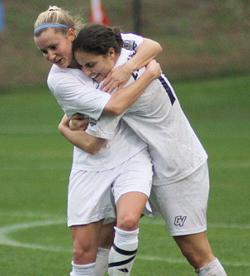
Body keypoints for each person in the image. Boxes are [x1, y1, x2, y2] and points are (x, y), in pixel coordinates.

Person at [59, 23, 227, 276]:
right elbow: (153, 46)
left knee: (195, 252)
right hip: (148, 160)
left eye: (90, 65)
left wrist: (65, 128)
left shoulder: (116, 88)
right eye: (82, 66)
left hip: (177, 166)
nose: (86, 72)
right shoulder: (125, 52)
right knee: (106, 232)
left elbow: (94, 142)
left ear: (110, 54)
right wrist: (137, 70)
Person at [33, 6, 162, 276]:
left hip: (130, 152)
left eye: (54, 47)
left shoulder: (99, 45)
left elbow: (151, 45)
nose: (50, 56)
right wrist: (149, 74)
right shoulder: (58, 80)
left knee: (126, 221)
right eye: (43, 52)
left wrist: (128, 68)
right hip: (90, 160)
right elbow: (114, 108)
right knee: (83, 250)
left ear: (71, 34)